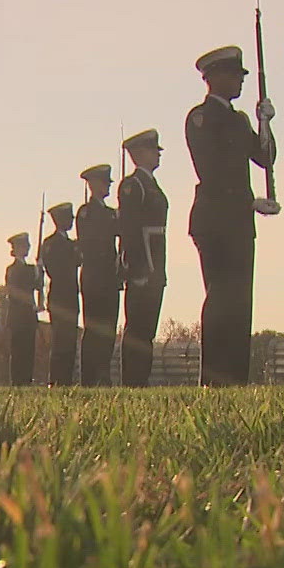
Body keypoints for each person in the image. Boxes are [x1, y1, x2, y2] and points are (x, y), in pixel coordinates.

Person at [185, 45, 278, 386]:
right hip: (215, 219)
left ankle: (236, 377)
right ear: (214, 77)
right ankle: (214, 377)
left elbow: (265, 156)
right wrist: (250, 202)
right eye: (234, 75)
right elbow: (212, 171)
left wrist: (264, 123)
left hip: (238, 221)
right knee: (221, 297)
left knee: (240, 300)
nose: (240, 82)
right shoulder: (202, 117)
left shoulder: (238, 120)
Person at [117, 129, 168, 387]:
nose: (156, 155)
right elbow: (130, 230)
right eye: (152, 150)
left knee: (147, 328)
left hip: (155, 264)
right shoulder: (132, 185)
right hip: (142, 264)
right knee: (137, 327)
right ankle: (133, 380)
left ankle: (142, 378)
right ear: (138, 154)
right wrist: (137, 268)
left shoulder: (150, 184)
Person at [76, 164, 121, 386]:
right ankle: (90, 377)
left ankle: (103, 373)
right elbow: (90, 242)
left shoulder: (110, 213)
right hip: (94, 277)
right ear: (93, 184)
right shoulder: (86, 212)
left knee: (109, 328)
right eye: (105, 182)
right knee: (94, 328)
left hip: (109, 278)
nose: (108, 186)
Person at [39, 202, 80, 385]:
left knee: (70, 341)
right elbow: (55, 269)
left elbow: (79, 260)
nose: (71, 222)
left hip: (71, 295)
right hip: (59, 296)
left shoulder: (71, 244)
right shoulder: (51, 244)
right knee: (59, 340)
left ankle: (66, 379)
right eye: (68, 218)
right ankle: (56, 379)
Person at [1, 231, 40, 386]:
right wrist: (35, 272)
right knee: (18, 352)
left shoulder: (30, 269)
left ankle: (26, 380)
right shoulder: (13, 269)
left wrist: (38, 272)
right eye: (24, 245)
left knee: (29, 351)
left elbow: (37, 285)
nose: (27, 248)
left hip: (28, 316)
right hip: (18, 317)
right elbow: (20, 287)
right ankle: (17, 381)